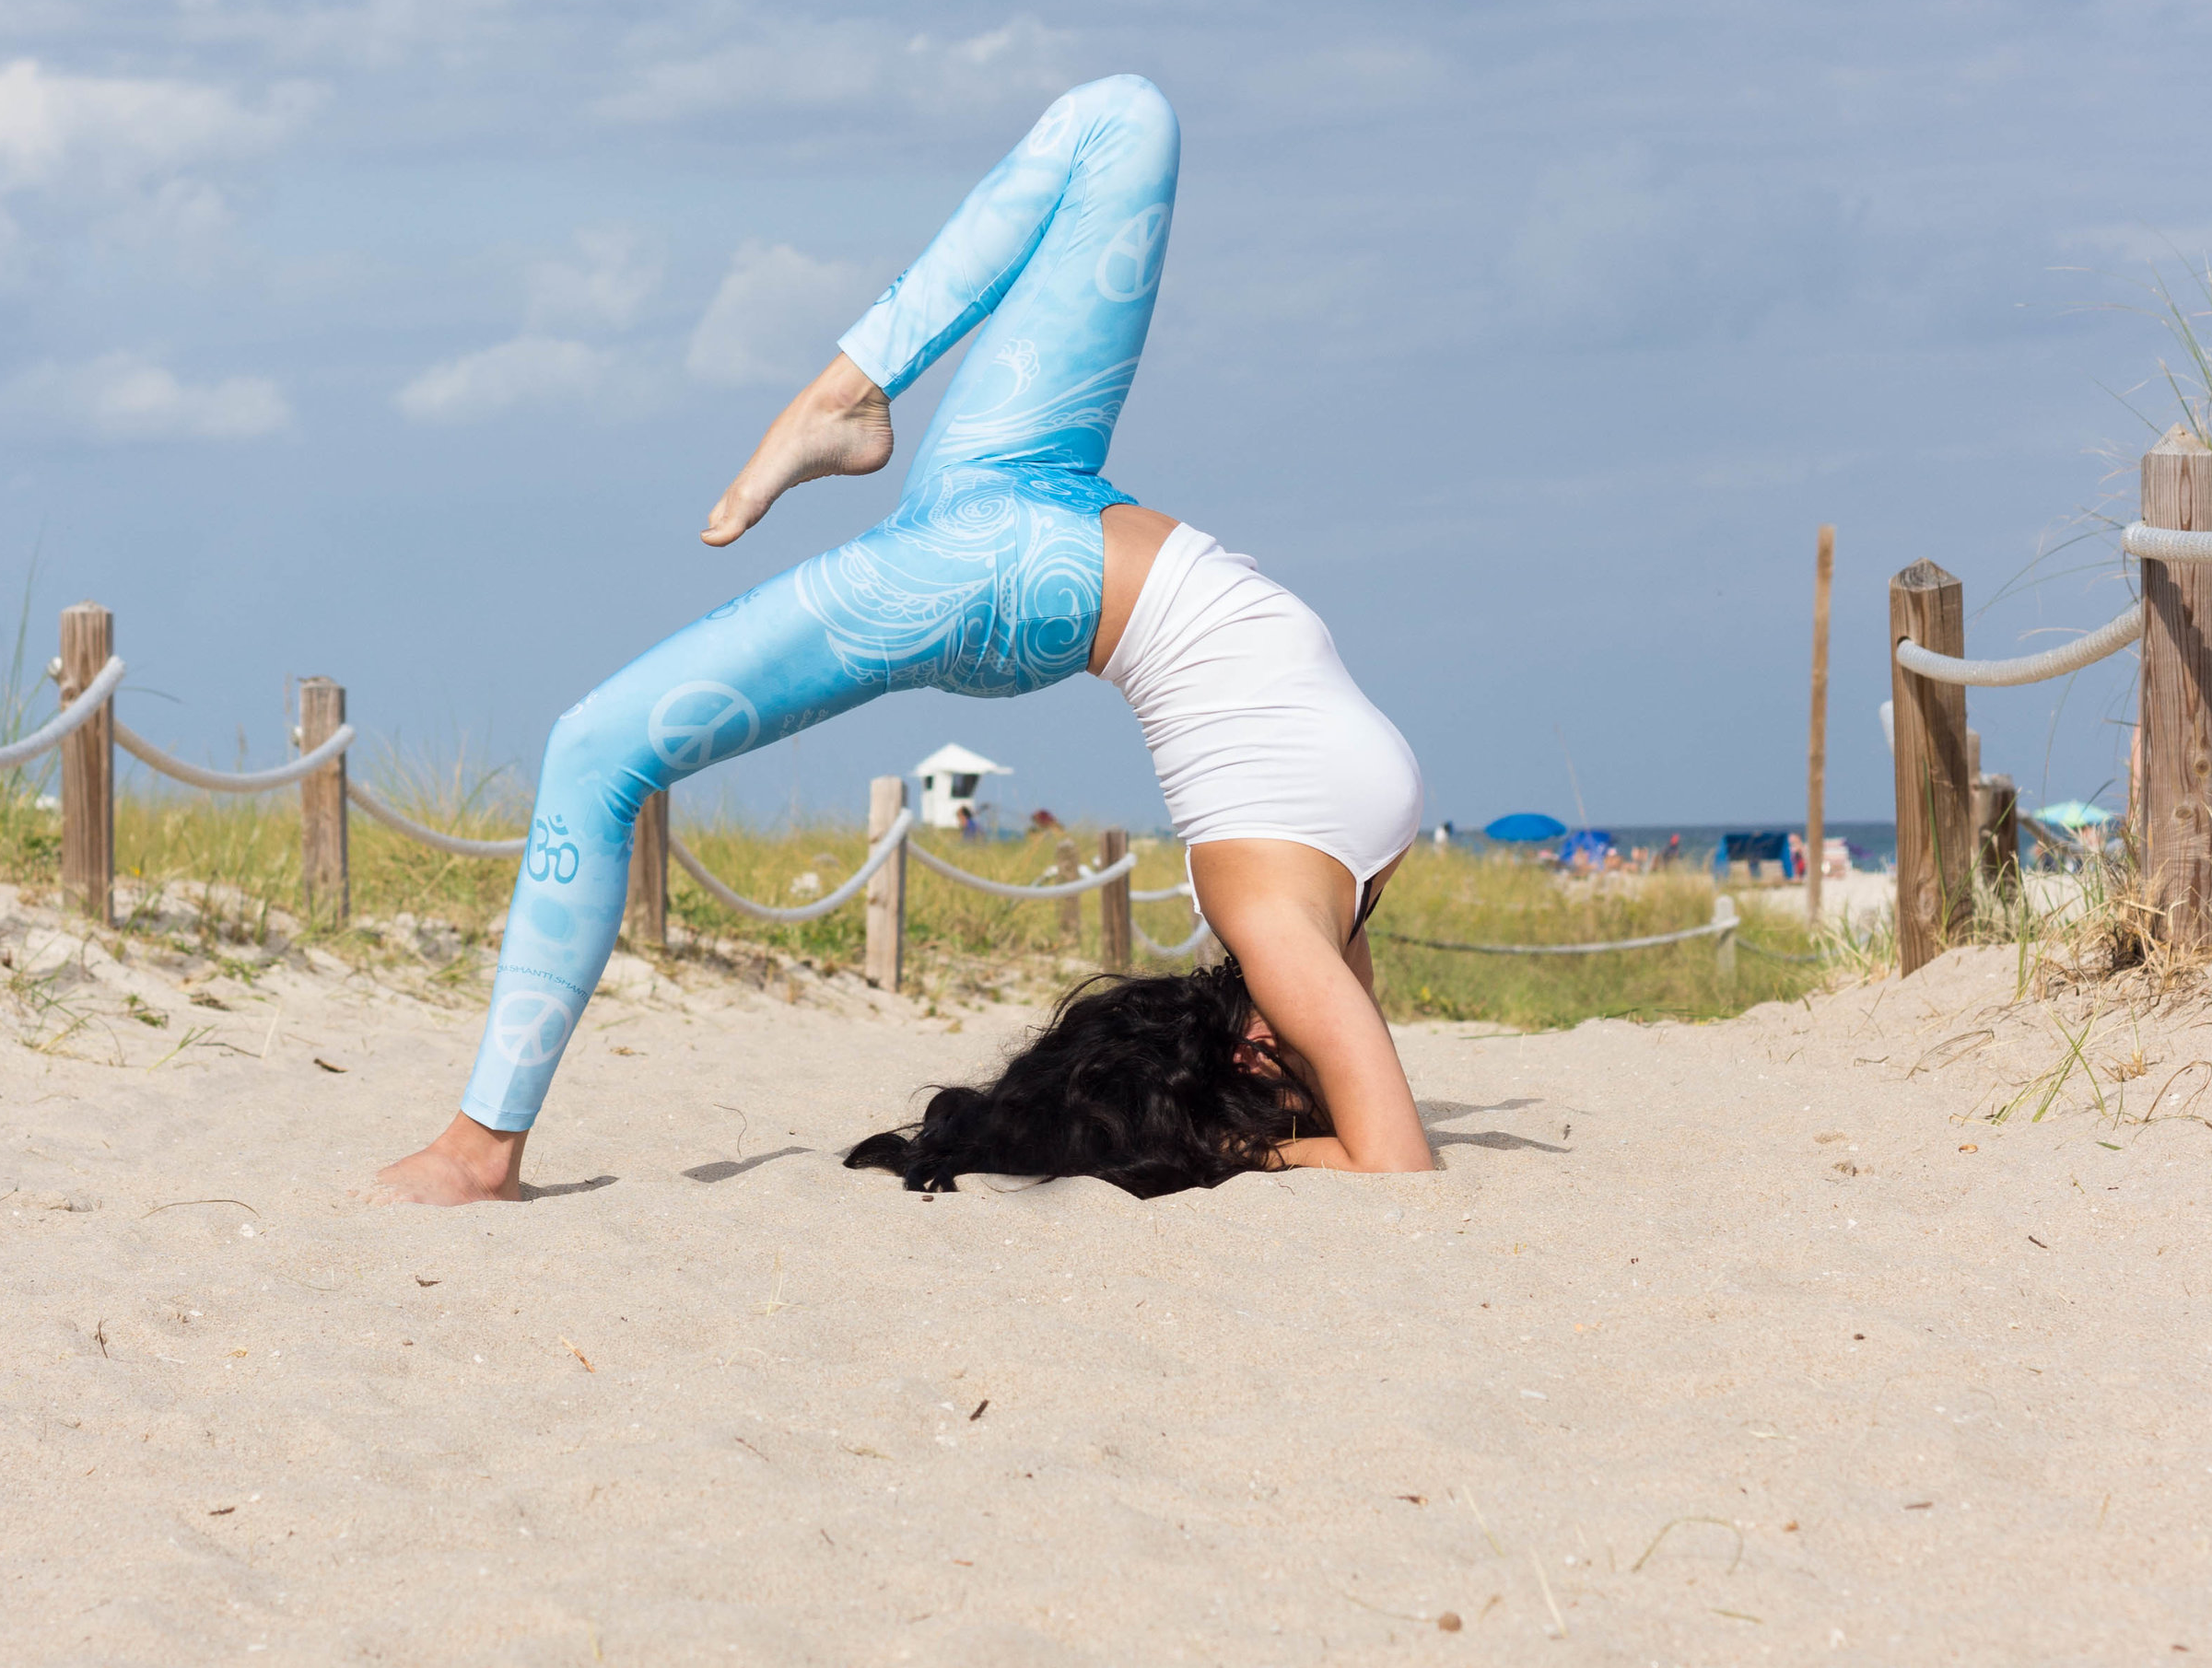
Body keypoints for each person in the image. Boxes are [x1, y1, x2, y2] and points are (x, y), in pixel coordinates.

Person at [376, 76, 1431, 1206]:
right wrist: (1284, 1109)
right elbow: (1373, 1117)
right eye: (1296, 1077)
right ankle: (850, 393)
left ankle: (481, 1146)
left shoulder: (1272, 928)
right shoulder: (1327, 929)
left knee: (594, 750)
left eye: (1255, 1080)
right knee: (1123, 118)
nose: (1285, 1060)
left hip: (1006, 581)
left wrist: (1226, 1149)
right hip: (1039, 492)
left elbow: (1397, 1166)